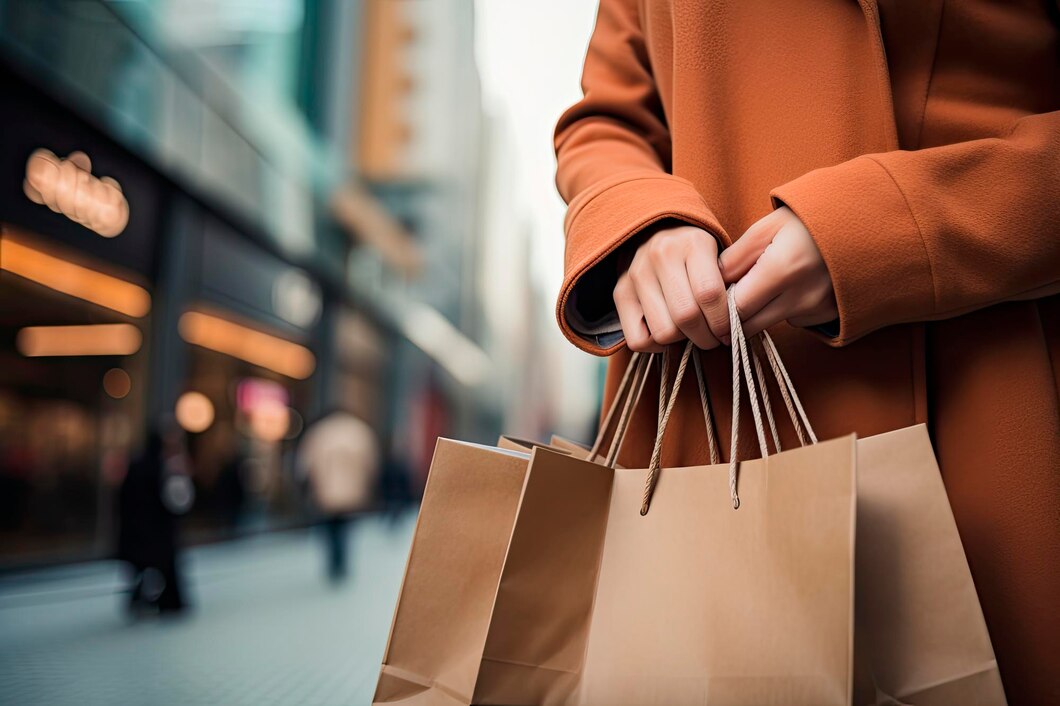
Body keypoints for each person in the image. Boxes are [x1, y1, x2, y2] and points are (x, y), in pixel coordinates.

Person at [554, 2, 1059, 703]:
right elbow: (605, 121)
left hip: (987, 403)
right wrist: (639, 220)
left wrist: (883, 229)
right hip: (704, 414)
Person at [116, 423, 194, 615]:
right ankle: (165, 602)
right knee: (163, 566)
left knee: (144, 567)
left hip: (137, 529)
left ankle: (143, 600)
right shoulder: (163, 468)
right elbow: (175, 501)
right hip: (157, 531)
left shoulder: (137, 466)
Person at [297, 409, 379, 583]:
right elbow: (370, 464)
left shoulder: (320, 432)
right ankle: (341, 562)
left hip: (324, 491)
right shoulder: (359, 431)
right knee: (345, 528)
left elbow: (305, 463)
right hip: (352, 492)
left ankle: (333, 563)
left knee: (329, 528)